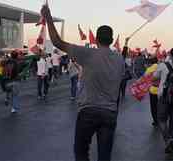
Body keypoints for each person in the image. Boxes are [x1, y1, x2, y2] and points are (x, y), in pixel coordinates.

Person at [42, 5, 125, 161]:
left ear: (97, 39)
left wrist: (48, 16)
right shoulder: (119, 59)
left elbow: (57, 42)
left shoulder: (88, 53)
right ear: (112, 40)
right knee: (105, 157)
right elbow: (119, 87)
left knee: (81, 153)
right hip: (110, 113)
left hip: (88, 111)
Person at [146, 57, 159, 127]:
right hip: (160, 90)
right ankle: (161, 119)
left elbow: (145, 77)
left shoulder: (149, 69)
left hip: (153, 90)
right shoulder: (160, 67)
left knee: (153, 106)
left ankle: (155, 120)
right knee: (160, 105)